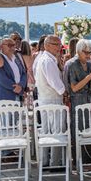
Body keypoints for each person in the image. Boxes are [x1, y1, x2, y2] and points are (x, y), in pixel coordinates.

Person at [34, 35, 67, 166]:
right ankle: (55, 163)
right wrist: (66, 93)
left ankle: (45, 161)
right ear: (47, 45)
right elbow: (56, 84)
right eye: (55, 44)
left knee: (47, 132)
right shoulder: (48, 61)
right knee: (56, 132)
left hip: (45, 100)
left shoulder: (46, 59)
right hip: (52, 101)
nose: (59, 47)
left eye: (59, 44)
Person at [68, 39, 91, 162]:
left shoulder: (90, 64)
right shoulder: (72, 64)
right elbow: (74, 88)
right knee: (78, 129)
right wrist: (88, 78)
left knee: (88, 129)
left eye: (90, 52)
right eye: (85, 52)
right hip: (77, 101)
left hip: (88, 100)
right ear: (78, 51)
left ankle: (89, 159)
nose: (88, 55)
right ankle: (79, 160)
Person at [0, 37, 27, 102]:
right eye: (9, 45)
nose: (12, 48)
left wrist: (21, 86)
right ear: (1, 46)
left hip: (19, 96)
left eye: (14, 45)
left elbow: (24, 73)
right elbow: (2, 79)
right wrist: (17, 88)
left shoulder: (16, 58)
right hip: (5, 97)